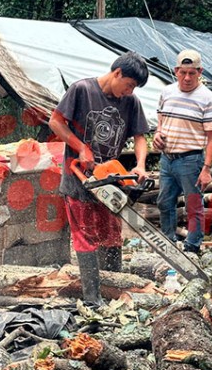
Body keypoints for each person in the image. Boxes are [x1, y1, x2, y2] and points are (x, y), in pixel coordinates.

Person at [49, 51, 150, 305]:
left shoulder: (131, 102)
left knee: (111, 234)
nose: (129, 91)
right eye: (128, 85)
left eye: (133, 88)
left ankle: (114, 289)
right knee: (85, 236)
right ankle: (92, 299)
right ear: (117, 73)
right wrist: (80, 147)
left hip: (109, 180)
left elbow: (140, 137)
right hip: (80, 178)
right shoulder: (82, 90)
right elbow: (56, 122)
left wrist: (139, 165)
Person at [152, 49, 212, 254]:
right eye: (183, 72)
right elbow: (161, 120)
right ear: (176, 71)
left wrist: (206, 168)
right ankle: (168, 243)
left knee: (193, 205)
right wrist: (157, 134)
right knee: (164, 202)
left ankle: (192, 246)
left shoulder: (208, 99)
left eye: (192, 73)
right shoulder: (167, 92)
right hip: (167, 158)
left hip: (190, 160)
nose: (187, 77)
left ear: (200, 71)